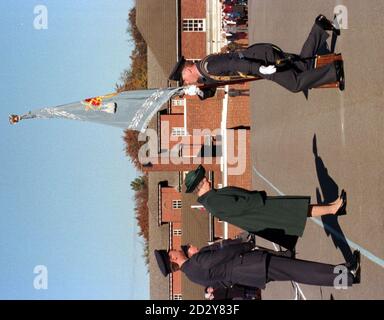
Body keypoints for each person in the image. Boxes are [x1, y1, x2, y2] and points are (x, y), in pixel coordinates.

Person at [169, 14, 344, 100]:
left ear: (188, 70)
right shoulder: (204, 71)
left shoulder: (209, 67)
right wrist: (200, 92)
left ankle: (334, 71)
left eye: (184, 79)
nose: (186, 83)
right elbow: (214, 86)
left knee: (296, 84)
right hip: (259, 57)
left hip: (260, 60)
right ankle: (319, 27)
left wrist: (260, 69)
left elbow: (235, 63)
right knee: (301, 66)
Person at [184, 165, 347, 249]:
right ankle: (333, 209)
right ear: (200, 185)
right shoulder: (212, 201)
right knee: (297, 209)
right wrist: (257, 198)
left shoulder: (210, 199)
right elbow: (239, 206)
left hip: (260, 210)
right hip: (261, 211)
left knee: (297, 208)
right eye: (205, 180)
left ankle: (332, 207)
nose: (209, 181)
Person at [154, 238, 360, 291]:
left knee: (299, 270)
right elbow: (223, 254)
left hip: (250, 273)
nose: (173, 248)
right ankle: (348, 275)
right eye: (170, 250)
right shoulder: (195, 263)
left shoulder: (192, 275)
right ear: (172, 258)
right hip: (253, 265)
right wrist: (245, 244)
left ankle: (344, 272)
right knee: (301, 271)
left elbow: (223, 283)